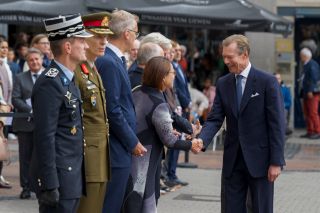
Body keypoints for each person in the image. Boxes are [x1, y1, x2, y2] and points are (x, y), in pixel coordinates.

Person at [196, 34, 285, 213]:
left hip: (261, 162)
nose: (226, 61)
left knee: (260, 209)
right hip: (233, 161)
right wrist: (202, 140)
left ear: (244, 55)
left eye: (230, 57)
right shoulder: (223, 83)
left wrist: (276, 161)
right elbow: (215, 118)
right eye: (224, 56)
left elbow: (277, 124)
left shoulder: (267, 82)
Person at [122, 56, 202, 213]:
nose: (175, 76)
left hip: (132, 156)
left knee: (130, 202)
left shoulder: (138, 91)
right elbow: (170, 140)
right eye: (172, 72)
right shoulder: (159, 102)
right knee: (143, 202)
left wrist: (190, 128)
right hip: (145, 160)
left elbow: (169, 118)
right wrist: (191, 144)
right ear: (163, 76)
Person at [29, 14, 92, 213]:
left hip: (70, 177)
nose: (86, 46)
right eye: (82, 41)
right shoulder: (50, 82)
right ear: (67, 47)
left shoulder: (67, 79)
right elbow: (44, 136)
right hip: (59, 178)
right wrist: (49, 184)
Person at [95, 10, 147, 213]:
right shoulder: (108, 61)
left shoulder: (114, 59)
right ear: (127, 33)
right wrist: (131, 141)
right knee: (111, 205)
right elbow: (112, 108)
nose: (136, 35)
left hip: (119, 147)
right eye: (136, 31)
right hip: (115, 149)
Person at [73, 12, 113, 213]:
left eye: (106, 37)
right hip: (86, 157)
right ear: (84, 37)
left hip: (99, 156)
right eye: (98, 36)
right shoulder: (76, 72)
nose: (104, 41)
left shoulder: (92, 69)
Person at [12, 48, 44, 199]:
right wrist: (31, 109)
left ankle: (40, 186)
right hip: (25, 124)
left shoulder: (48, 76)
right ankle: (25, 187)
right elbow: (15, 99)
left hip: (44, 125)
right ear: (27, 62)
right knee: (25, 157)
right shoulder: (20, 78)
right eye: (31, 60)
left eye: (36, 59)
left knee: (42, 157)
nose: (34, 62)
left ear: (42, 59)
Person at [0, 37, 13, 189]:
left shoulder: (6, 65)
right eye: (2, 47)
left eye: (6, 47)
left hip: (6, 110)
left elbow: (8, 88)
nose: (5, 50)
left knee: (3, 143)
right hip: (2, 109)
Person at [299, 48, 320, 139]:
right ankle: (310, 131)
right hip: (306, 92)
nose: (300, 58)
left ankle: (317, 131)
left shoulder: (312, 64)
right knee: (307, 113)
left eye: (301, 56)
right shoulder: (306, 64)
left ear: (304, 56)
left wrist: (311, 90)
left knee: (313, 113)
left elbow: (314, 78)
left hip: (312, 93)